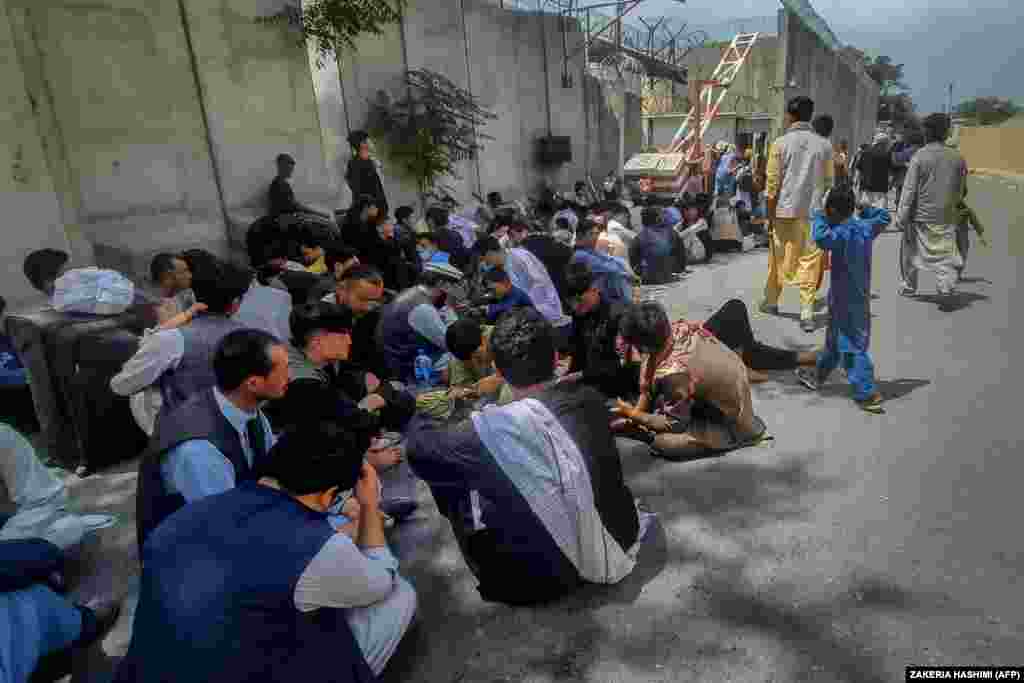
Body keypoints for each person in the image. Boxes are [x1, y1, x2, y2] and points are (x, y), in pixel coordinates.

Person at [114, 422, 416, 683]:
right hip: (258, 668)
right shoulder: (317, 549)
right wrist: (368, 506)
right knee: (399, 594)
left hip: (145, 672)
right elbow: (379, 581)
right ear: (328, 496)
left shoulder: (180, 519)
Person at [407, 308, 650, 606]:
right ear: (555, 359)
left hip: (536, 581)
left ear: (497, 368)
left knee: (451, 476)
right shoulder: (588, 399)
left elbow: (417, 452)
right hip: (620, 532)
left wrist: (437, 411)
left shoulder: (482, 432)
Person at [133, 329, 288, 551]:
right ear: (253, 383)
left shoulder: (246, 407)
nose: (288, 378)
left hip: (241, 518)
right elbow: (225, 525)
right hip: (192, 556)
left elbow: (273, 465)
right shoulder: (199, 450)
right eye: (282, 371)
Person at [612, 302, 769, 460]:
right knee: (656, 392)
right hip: (725, 395)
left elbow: (674, 425)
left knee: (663, 442)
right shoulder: (676, 329)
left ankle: (730, 438)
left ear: (644, 347)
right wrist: (637, 413)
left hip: (734, 422)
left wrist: (633, 414)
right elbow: (649, 372)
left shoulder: (674, 374)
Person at [111, 260, 252, 421]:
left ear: (194, 296)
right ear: (235, 304)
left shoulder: (173, 339)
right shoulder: (254, 339)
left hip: (183, 432)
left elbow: (121, 385)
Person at [795, 186, 890, 413]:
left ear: (833, 211)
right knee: (834, 341)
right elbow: (885, 216)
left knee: (852, 346)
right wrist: (864, 209)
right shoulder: (865, 227)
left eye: (828, 211)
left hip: (844, 299)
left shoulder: (840, 234)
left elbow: (819, 237)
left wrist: (818, 215)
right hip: (856, 296)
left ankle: (866, 393)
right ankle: (818, 375)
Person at [761, 96, 834, 332]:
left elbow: (772, 185)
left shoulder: (779, 144)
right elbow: (830, 183)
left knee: (778, 257)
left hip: (783, 211)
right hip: (813, 212)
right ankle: (806, 312)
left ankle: (772, 302)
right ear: (809, 116)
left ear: (790, 115)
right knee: (810, 262)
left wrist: (768, 216)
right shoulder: (824, 145)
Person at [897, 113, 969, 307]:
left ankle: (909, 286)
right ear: (946, 133)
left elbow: (909, 190)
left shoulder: (919, 156)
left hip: (919, 216)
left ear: (926, 133)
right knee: (945, 253)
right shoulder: (958, 158)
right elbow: (961, 190)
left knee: (910, 251)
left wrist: (901, 216)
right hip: (946, 216)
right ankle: (945, 287)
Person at [477, 236, 573, 350]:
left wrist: (495, 308)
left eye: (484, 259)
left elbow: (536, 287)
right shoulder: (502, 265)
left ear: (490, 253)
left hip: (543, 311)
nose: (486, 263)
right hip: (529, 313)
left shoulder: (519, 257)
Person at [564, 262, 639, 399]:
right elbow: (577, 353)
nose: (576, 308)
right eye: (571, 305)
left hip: (619, 389)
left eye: (580, 301)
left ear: (594, 289)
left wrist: (583, 375)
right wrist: (567, 377)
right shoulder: (580, 314)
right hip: (591, 385)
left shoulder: (620, 314)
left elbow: (624, 365)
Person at [376, 271, 452, 387]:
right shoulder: (422, 307)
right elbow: (451, 343)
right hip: (408, 371)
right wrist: (451, 309)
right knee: (463, 355)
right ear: (441, 284)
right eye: (452, 286)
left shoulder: (410, 293)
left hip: (393, 360)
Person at [324, 264, 390, 379]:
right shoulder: (321, 319)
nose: (368, 307)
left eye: (374, 301)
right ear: (341, 289)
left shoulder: (372, 315)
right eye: (363, 299)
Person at [443, 319, 515, 409]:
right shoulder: (460, 353)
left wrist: (499, 379)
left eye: (478, 358)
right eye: (468, 363)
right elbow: (461, 387)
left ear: (483, 338)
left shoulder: (505, 338)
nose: (475, 364)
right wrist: (467, 392)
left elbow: (526, 370)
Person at [572, 220, 636, 304]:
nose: (596, 237)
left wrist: (626, 270)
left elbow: (618, 260)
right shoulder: (580, 255)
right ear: (580, 235)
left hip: (613, 297)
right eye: (591, 234)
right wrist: (627, 273)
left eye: (597, 233)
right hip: (599, 301)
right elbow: (612, 268)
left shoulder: (593, 251)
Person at [269, 153, 334, 225]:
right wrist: (320, 214)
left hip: (288, 217)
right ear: (281, 166)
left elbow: (294, 205)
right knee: (325, 222)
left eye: (292, 168)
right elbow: (295, 207)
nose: (292, 170)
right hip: (285, 220)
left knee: (322, 218)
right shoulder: (280, 185)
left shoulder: (280, 183)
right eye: (290, 167)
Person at [630, 206, 680, 285]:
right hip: (668, 276)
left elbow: (633, 262)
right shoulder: (672, 233)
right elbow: (681, 257)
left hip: (647, 279)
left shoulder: (639, 237)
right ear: (658, 219)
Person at [344, 130, 388, 218]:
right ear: (362, 144)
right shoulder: (355, 164)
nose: (371, 142)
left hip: (378, 210)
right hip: (370, 212)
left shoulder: (370, 161)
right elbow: (358, 191)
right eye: (369, 140)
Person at [149, 253, 196, 323]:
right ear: (168, 275)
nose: (190, 276)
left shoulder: (185, 297)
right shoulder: (156, 309)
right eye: (184, 271)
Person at [856, 132, 893, 210]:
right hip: (881, 190)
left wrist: (857, 183)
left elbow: (859, 169)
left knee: (866, 217)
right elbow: (890, 172)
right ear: (883, 144)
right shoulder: (887, 155)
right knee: (880, 215)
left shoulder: (865, 153)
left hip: (867, 190)